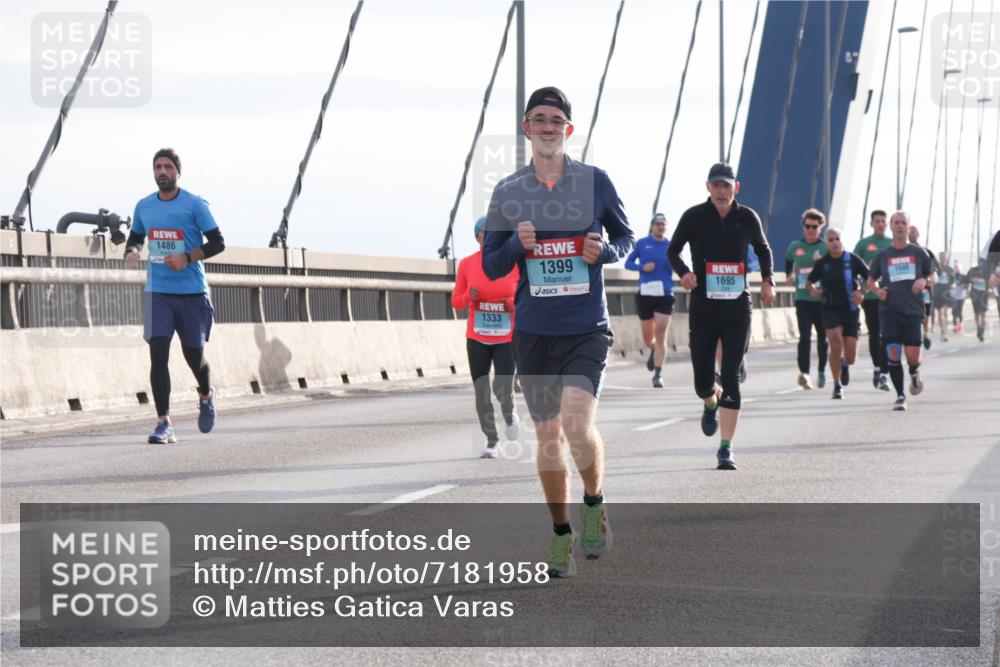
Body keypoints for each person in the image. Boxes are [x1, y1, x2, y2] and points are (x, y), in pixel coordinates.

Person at [482, 86, 634, 577]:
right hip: (533, 331)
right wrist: (517, 247)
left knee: (574, 425)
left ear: (570, 129)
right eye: (539, 119)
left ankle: (594, 502)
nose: (549, 128)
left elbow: (626, 238)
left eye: (557, 121)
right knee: (549, 439)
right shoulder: (508, 191)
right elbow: (491, 263)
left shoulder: (596, 182)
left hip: (585, 327)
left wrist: (603, 252)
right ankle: (561, 534)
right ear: (527, 128)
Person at [667, 162, 775, 470]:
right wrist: (684, 273)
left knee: (731, 375)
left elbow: (764, 249)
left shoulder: (747, 217)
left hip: (737, 306)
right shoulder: (694, 217)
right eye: (716, 185)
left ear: (735, 188)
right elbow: (673, 251)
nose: (721, 190)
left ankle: (726, 448)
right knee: (703, 381)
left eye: (726, 185)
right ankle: (710, 401)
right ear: (708, 187)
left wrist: (768, 280)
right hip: (703, 306)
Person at [124, 148, 226, 443]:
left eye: (168, 167)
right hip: (158, 292)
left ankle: (206, 395)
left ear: (178, 172)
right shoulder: (144, 206)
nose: (162, 172)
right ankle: (163, 423)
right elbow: (136, 237)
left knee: (194, 356)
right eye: (158, 167)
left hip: (191, 292)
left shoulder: (194, 204)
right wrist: (131, 252)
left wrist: (188, 257)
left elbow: (218, 242)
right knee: (158, 353)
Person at [452, 217, 520, 458]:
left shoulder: (514, 264)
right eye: (485, 232)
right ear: (478, 236)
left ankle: (510, 415)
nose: (490, 236)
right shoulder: (468, 264)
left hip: (506, 337)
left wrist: (510, 304)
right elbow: (455, 301)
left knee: (502, 387)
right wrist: (470, 296)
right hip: (477, 336)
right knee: (481, 391)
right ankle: (491, 440)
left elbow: (525, 298)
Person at [865, 211, 932, 411]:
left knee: (912, 355)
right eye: (897, 223)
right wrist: (877, 291)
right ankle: (901, 396)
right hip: (889, 310)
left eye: (904, 223)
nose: (900, 226)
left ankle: (914, 372)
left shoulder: (919, 253)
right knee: (893, 352)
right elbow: (869, 280)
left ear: (908, 227)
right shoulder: (883, 256)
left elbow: (931, 275)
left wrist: (923, 280)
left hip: (912, 310)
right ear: (891, 227)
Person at [805, 227, 869, 399]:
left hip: (850, 310)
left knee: (850, 355)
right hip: (830, 309)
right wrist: (813, 291)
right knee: (834, 343)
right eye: (831, 240)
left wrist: (862, 292)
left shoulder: (852, 260)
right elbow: (809, 282)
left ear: (842, 241)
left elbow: (870, 278)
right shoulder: (823, 263)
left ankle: (845, 365)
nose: (834, 243)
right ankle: (837, 385)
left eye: (837, 239)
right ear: (826, 243)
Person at [624, 212, 675, 388]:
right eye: (657, 224)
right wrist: (642, 267)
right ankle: (652, 348)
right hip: (645, 293)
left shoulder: (671, 246)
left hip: (665, 294)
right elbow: (627, 264)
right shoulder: (642, 244)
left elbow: (679, 266)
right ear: (652, 226)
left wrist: (676, 264)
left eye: (663, 224)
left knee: (661, 333)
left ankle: (658, 374)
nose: (660, 227)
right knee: (648, 337)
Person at [785, 208, 829, 389]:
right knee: (804, 337)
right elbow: (788, 262)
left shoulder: (825, 248)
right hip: (802, 298)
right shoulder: (795, 247)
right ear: (803, 227)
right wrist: (789, 275)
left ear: (820, 228)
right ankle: (804, 374)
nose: (810, 230)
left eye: (814, 227)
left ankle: (821, 371)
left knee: (822, 337)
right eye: (807, 226)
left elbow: (832, 270)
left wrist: (821, 263)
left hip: (821, 300)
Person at [853, 209, 892, 391]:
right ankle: (878, 367)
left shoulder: (892, 244)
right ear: (871, 223)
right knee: (874, 333)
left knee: (887, 333)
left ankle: (884, 370)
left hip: (888, 296)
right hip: (869, 296)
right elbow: (852, 266)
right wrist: (857, 290)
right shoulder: (863, 244)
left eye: (883, 221)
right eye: (877, 221)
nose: (880, 224)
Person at [906, 224, 939, 350]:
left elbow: (936, 272)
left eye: (914, 231)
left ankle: (926, 334)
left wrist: (930, 280)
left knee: (926, 315)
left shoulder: (926, 251)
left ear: (918, 234)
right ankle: (914, 337)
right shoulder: (901, 251)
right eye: (910, 231)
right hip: (907, 291)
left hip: (925, 290)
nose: (911, 233)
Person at [932, 250, 954, 342]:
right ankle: (943, 332)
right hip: (937, 294)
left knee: (946, 313)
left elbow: (953, 281)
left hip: (947, 294)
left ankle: (944, 330)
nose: (942, 258)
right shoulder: (934, 268)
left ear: (946, 257)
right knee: (941, 312)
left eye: (944, 256)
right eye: (941, 256)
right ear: (939, 258)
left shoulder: (949, 269)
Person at [965, 262, 990, 341]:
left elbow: (990, 280)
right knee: (977, 313)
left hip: (984, 295)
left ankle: (981, 331)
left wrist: (983, 280)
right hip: (975, 295)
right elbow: (967, 279)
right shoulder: (972, 270)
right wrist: (973, 279)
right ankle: (978, 327)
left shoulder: (987, 270)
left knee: (983, 314)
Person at [950, 261, 967, 333]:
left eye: (957, 267)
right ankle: (955, 326)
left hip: (961, 296)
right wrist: (950, 285)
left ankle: (960, 325)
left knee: (960, 311)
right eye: (955, 267)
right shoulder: (951, 276)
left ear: (961, 268)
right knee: (954, 312)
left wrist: (964, 285)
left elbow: (967, 285)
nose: (956, 269)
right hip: (953, 296)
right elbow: (948, 284)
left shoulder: (963, 276)